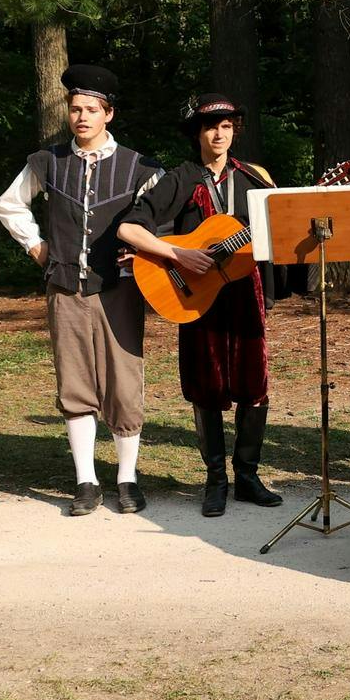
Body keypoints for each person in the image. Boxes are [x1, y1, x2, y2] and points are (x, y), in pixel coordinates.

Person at [0, 64, 164, 517]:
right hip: (65, 286)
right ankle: (86, 481)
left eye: (91, 109)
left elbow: (163, 223)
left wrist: (145, 257)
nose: (82, 117)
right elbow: (8, 205)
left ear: (109, 114)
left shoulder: (141, 167)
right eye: (75, 109)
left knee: (123, 383)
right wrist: (36, 246)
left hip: (120, 290)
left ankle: (127, 478)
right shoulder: (48, 162)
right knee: (74, 382)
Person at [114, 93, 285, 517]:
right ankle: (215, 481)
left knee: (254, 385)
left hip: (246, 293)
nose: (220, 134)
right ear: (197, 133)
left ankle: (247, 477)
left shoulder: (256, 177)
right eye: (211, 127)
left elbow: (280, 228)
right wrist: (179, 254)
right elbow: (129, 229)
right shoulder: (181, 178)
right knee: (206, 386)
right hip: (194, 295)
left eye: (227, 127)